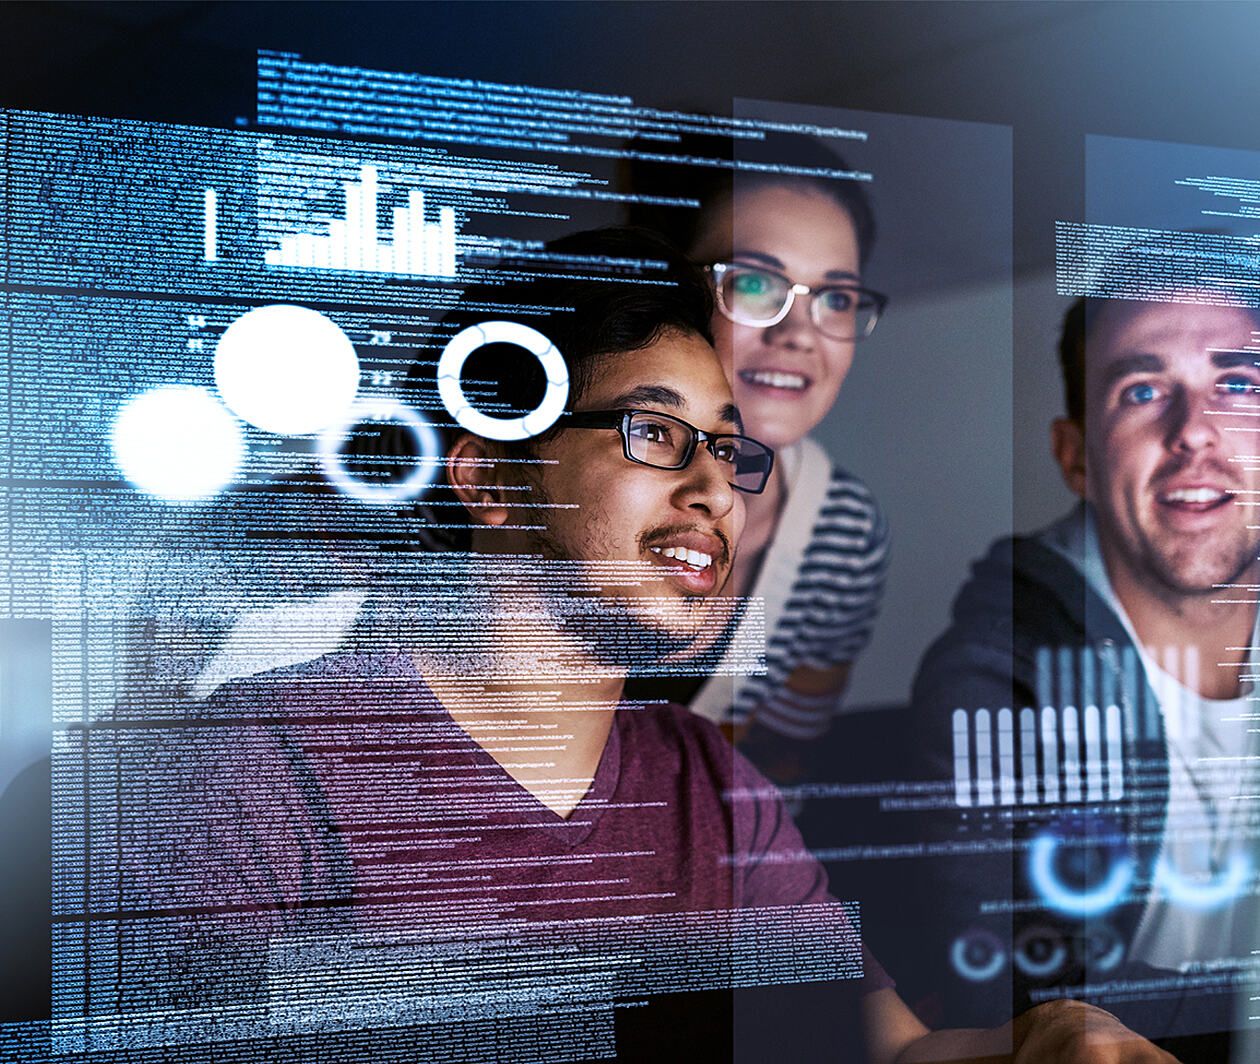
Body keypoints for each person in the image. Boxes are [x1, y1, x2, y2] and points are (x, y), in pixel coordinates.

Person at [118, 229, 1177, 1064]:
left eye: (729, 447)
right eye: (656, 431)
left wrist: (1033, 1043)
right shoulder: (258, 766)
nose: (715, 486)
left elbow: (880, 1042)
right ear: (487, 476)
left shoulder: (708, 776)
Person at [909, 287, 1260, 1056]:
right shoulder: (994, 681)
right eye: (1142, 390)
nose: (1194, 431)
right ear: (1076, 457)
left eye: (1237, 384)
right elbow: (1027, 1000)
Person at [625, 133, 889, 781]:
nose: (799, 334)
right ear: (664, 290)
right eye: (753, 283)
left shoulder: (844, 531)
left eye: (835, 298)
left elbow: (779, 764)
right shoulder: (550, 475)